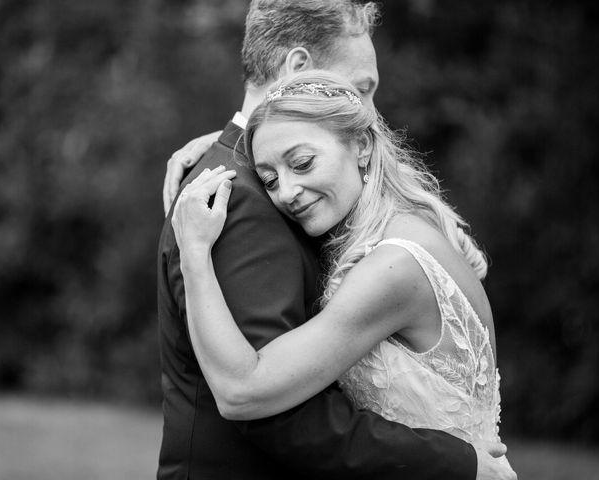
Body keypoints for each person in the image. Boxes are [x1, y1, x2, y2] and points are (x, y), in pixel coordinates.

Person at [157, 1, 515, 479]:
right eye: (361, 89)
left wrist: (459, 465)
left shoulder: (393, 261)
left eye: (300, 163)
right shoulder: (246, 197)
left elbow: (248, 389)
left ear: (360, 147)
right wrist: (239, 148)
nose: (368, 112)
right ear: (299, 69)